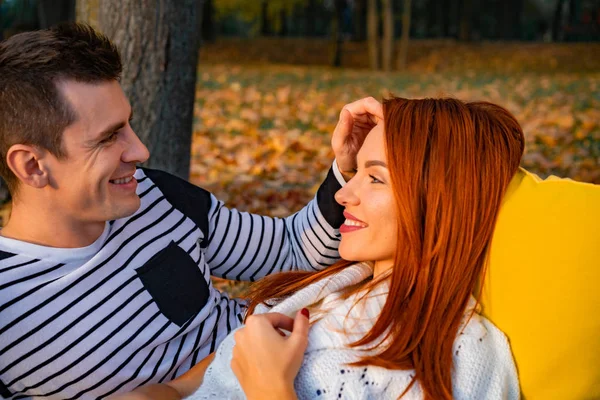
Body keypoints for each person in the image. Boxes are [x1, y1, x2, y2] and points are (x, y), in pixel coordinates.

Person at [0, 23, 382, 399]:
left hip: (316, 359)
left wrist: (347, 171)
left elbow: (292, 251)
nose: (139, 152)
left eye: (128, 125)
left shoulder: (153, 195)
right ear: (33, 166)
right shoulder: (9, 312)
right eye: (107, 137)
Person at [121, 96, 524, 400]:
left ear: (439, 201)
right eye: (355, 173)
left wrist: (271, 388)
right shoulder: (340, 288)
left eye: (376, 179)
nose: (345, 193)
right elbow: (236, 357)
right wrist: (167, 393)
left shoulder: (463, 357)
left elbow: (285, 254)